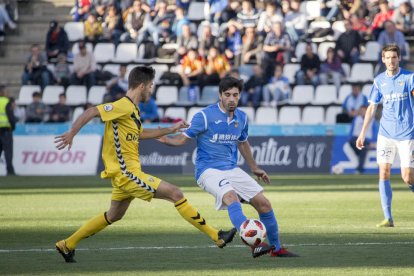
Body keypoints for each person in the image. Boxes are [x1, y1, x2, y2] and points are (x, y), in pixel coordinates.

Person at [54, 66, 236, 263]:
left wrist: (169, 129)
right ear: (142, 86)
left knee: (113, 216)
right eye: (150, 86)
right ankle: (216, 236)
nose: (152, 89)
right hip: (127, 173)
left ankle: (67, 244)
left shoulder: (132, 110)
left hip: (125, 174)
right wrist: (72, 132)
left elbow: (141, 134)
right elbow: (92, 111)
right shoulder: (122, 106)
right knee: (176, 193)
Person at [157, 76, 298, 258]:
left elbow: (243, 143)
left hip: (231, 169)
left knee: (264, 204)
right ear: (220, 95)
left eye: (235, 95)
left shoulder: (242, 118)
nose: (231, 99)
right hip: (207, 171)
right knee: (231, 197)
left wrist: (254, 167)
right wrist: (166, 140)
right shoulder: (205, 116)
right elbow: (183, 139)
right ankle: (254, 245)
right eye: (228, 94)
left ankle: (277, 249)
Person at [356, 44, 414, 228]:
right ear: (383, 59)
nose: (391, 61)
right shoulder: (379, 81)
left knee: (407, 177)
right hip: (386, 133)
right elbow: (372, 107)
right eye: (387, 58)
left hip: (407, 133)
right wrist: (362, 134)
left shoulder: (409, 78)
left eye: (394, 57)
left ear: (399, 59)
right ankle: (388, 218)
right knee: (384, 172)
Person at [349, 105, 377, 174]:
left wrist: (372, 141)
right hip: (356, 138)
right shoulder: (356, 119)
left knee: (363, 149)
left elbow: (375, 131)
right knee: (362, 149)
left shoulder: (372, 120)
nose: (362, 112)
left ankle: (359, 169)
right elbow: (351, 130)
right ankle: (360, 168)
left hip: (367, 140)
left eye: (364, 110)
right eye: (361, 110)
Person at [0, 85, 16, 176]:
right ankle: (10, 171)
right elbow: (10, 116)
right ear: (2, 92)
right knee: (8, 152)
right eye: (6, 91)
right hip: (6, 130)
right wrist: (13, 126)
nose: (8, 93)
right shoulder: (6, 102)